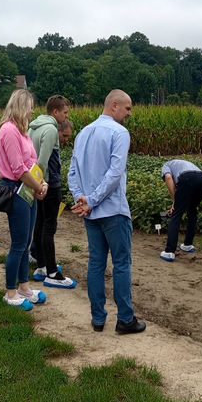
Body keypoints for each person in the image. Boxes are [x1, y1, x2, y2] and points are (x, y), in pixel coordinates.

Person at [68, 89, 146, 334]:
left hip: (91, 214)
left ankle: (98, 318)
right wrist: (90, 200)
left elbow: (72, 172)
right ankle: (125, 319)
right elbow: (114, 173)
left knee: (96, 263)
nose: (129, 114)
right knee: (121, 263)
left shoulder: (83, 133)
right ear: (114, 105)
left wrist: (81, 199)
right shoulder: (119, 132)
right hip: (112, 210)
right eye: (128, 108)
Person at [0, 89, 47, 310]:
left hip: (28, 189)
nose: (32, 111)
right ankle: (10, 291)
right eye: (30, 106)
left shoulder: (23, 132)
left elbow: (32, 163)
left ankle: (24, 286)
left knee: (26, 242)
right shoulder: (8, 131)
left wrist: (40, 183)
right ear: (20, 107)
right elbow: (17, 169)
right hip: (16, 190)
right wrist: (37, 186)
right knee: (18, 244)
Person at [28, 95, 76, 289]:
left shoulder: (34, 127)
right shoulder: (50, 129)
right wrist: (41, 184)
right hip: (49, 184)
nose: (66, 116)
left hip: (39, 184)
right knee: (50, 227)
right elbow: (42, 160)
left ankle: (41, 265)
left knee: (40, 223)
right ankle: (52, 273)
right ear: (55, 112)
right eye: (65, 112)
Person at [158, 160, 202, 262]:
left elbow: (168, 178)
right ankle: (187, 245)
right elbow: (181, 191)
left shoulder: (166, 166)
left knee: (176, 214)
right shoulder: (181, 164)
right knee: (192, 210)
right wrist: (176, 202)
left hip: (188, 179)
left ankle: (169, 251)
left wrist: (175, 201)